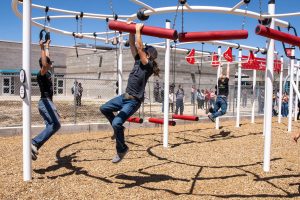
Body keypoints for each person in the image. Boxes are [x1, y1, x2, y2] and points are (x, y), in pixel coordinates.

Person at [100, 23, 159, 163]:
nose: (142, 51)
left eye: (145, 50)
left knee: (116, 123)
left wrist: (138, 30)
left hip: (133, 101)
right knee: (104, 108)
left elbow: (139, 47)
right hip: (124, 97)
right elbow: (133, 45)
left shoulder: (148, 65)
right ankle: (117, 129)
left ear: (149, 55)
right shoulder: (138, 61)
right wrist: (131, 31)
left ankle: (122, 149)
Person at [31, 39, 61, 160]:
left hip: (47, 103)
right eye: (50, 63)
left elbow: (47, 60)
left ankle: (34, 146)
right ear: (46, 65)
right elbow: (44, 63)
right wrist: (42, 48)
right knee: (56, 125)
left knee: (52, 126)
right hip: (44, 102)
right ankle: (34, 143)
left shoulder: (47, 73)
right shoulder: (41, 74)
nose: (51, 64)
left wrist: (48, 46)